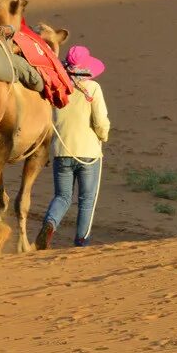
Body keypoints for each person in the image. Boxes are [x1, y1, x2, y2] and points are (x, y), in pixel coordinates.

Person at [38, 45, 109, 249]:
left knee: (63, 196)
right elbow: (101, 122)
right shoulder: (93, 88)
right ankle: (81, 240)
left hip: (62, 151)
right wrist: (103, 136)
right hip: (89, 154)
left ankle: (50, 223)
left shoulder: (56, 88)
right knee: (86, 199)